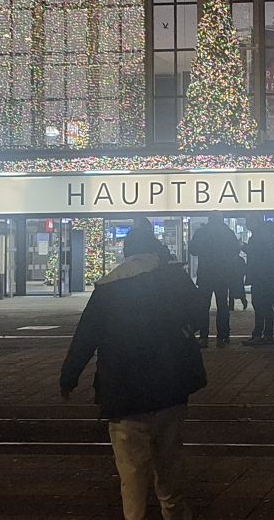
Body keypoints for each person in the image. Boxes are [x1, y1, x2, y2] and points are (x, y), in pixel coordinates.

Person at [60, 220, 205, 520]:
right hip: (169, 389)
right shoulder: (172, 277)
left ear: (126, 252)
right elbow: (198, 309)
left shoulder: (108, 287)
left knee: (133, 478)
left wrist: (69, 376)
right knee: (170, 474)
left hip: (123, 395)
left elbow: (85, 336)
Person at [188, 214, 239, 348]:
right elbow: (236, 250)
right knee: (222, 305)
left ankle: (204, 337)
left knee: (203, 306)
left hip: (205, 273)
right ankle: (222, 336)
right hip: (222, 273)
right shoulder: (227, 232)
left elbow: (193, 250)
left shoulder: (202, 232)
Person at [242, 220, 274, 346]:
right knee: (264, 306)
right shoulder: (267, 238)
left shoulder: (260, 238)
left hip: (261, 277)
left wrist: (244, 247)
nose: (247, 223)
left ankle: (261, 334)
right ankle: (265, 334)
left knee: (260, 305)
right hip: (265, 277)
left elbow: (257, 256)